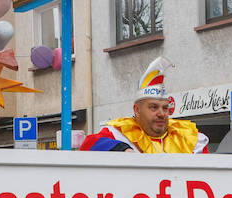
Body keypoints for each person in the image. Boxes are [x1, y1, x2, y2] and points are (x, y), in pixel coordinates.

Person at [80, 58, 210, 154]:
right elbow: (88, 144)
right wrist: (121, 149)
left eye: (165, 108)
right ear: (137, 110)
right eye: (154, 107)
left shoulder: (188, 137)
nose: (161, 113)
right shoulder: (119, 133)